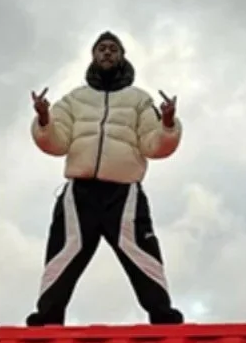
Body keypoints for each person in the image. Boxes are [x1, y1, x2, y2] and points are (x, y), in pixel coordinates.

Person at [26, 30, 185, 327]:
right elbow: (56, 143)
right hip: (80, 192)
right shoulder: (74, 99)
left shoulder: (139, 100)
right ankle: (48, 320)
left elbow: (154, 147)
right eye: (101, 48)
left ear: (122, 56)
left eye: (113, 48)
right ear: (93, 56)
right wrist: (44, 119)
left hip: (123, 193)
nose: (107, 52)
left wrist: (166, 124)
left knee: (142, 254)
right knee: (63, 253)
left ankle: (163, 318)